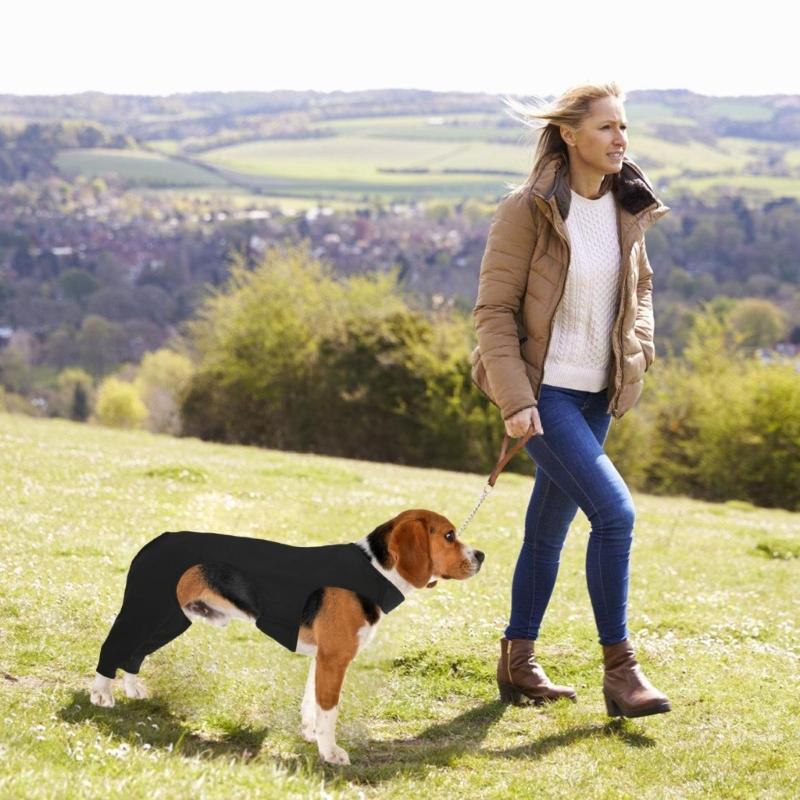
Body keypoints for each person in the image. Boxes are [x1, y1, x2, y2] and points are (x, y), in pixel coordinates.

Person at [471, 81, 671, 718]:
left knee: (547, 530)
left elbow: (639, 291)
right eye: (607, 128)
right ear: (570, 135)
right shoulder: (526, 210)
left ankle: (517, 658)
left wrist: (636, 350)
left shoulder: (626, 206)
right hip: (545, 393)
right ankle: (622, 672)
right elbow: (494, 313)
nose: (620, 139)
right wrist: (515, 400)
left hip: (595, 395)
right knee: (615, 516)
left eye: (623, 127)